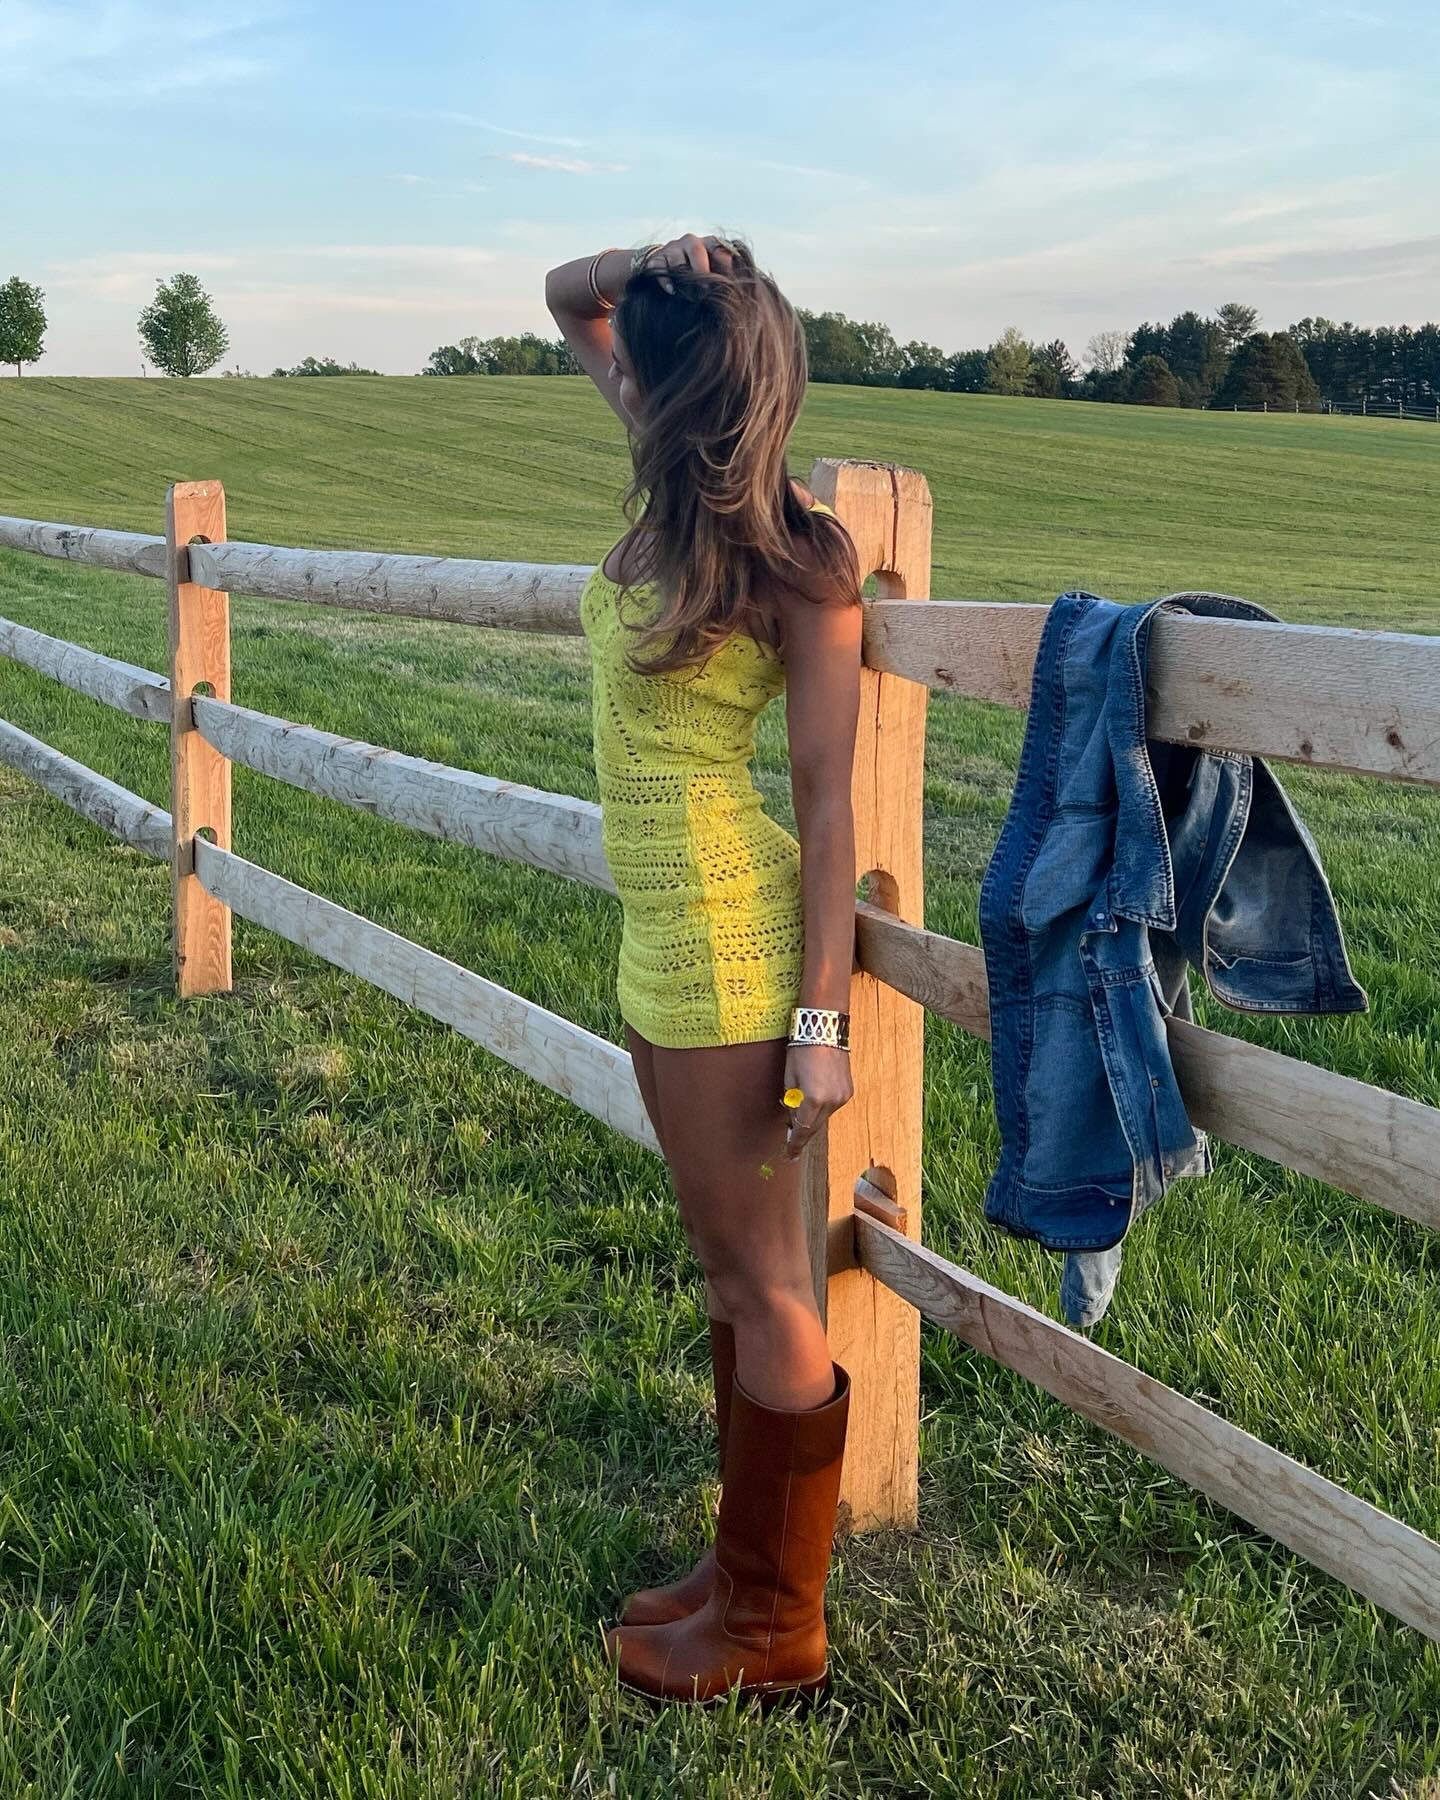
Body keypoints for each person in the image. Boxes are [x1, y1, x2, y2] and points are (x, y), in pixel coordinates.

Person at [545, 234, 864, 1704]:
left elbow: (826, 805)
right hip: (659, 943)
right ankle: (739, 1573)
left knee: (764, 1280)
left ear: (689, 388)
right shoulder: (673, 487)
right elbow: (570, 295)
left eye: (651, 352)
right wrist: (657, 257)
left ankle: (772, 1628)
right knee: (729, 1276)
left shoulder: (800, 561)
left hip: (736, 951)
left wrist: (820, 1023)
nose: (620, 364)